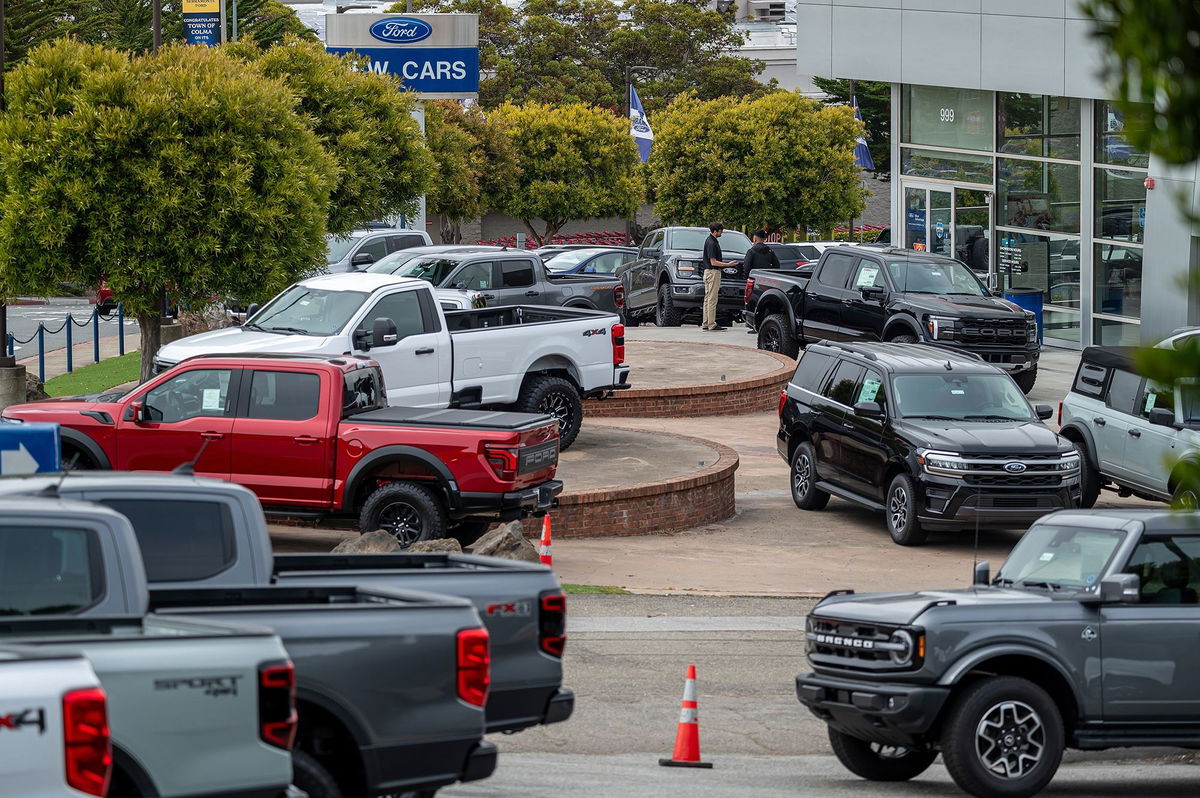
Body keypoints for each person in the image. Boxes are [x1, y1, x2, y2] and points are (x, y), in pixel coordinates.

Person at [701, 222, 738, 331]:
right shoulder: (712, 243)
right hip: (713, 272)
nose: (722, 232)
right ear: (716, 231)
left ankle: (706, 323)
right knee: (712, 299)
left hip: (708, 272)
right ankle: (712, 324)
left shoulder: (709, 240)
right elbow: (713, 262)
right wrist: (728, 264)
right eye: (721, 231)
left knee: (707, 299)